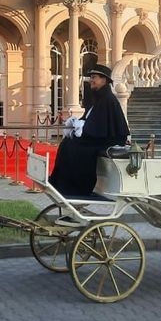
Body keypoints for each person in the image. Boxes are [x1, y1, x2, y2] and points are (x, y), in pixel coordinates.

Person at [47, 65, 130, 216]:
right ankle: (61, 184)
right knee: (67, 144)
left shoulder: (108, 100)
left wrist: (82, 129)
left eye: (94, 78)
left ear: (104, 80)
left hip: (106, 140)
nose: (91, 80)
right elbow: (89, 121)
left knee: (75, 148)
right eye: (91, 78)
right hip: (97, 136)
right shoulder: (97, 99)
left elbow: (100, 127)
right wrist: (76, 124)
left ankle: (78, 188)